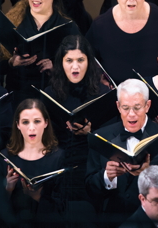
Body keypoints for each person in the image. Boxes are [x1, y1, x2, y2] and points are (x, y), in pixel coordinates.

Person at [85, 79, 158, 226]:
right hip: (113, 221)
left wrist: (148, 173)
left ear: (147, 106)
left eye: (137, 107)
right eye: (125, 108)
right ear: (118, 106)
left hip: (153, 222)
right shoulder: (100, 137)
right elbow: (89, 188)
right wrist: (107, 177)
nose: (131, 114)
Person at [0, 0, 79, 105]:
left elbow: (81, 67)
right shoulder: (13, 22)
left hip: (53, 96)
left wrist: (57, 68)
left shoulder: (68, 27)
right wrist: (11, 62)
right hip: (18, 95)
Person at [44, 34, 112, 202]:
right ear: (61, 62)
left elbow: (112, 139)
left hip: (90, 161)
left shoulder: (103, 94)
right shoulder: (49, 93)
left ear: (89, 62)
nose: (75, 67)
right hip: (58, 160)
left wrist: (91, 132)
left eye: (80, 60)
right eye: (69, 61)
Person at [1, 98, 81, 226]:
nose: (31, 128)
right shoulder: (6, 157)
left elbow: (65, 208)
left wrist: (37, 197)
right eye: (25, 122)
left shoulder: (59, 157)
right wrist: (8, 189)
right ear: (18, 125)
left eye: (37, 121)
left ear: (46, 123)